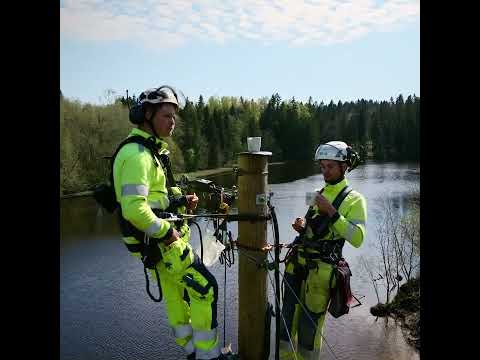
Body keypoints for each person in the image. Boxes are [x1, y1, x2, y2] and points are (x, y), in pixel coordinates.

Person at [112, 85, 225, 360]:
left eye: (174, 116)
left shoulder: (148, 151)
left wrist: (179, 201)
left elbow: (153, 199)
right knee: (206, 289)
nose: (172, 121)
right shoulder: (137, 155)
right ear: (147, 114)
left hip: (154, 247)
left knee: (177, 298)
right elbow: (134, 209)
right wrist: (167, 233)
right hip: (163, 243)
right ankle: (209, 357)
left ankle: (191, 352)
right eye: (166, 115)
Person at [278, 141, 367, 360]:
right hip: (297, 264)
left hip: (321, 273)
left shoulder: (355, 199)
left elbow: (357, 239)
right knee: (286, 321)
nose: (325, 171)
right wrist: (301, 225)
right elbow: (311, 227)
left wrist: (332, 212)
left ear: (344, 167)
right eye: (322, 166)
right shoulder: (316, 192)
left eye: (330, 166)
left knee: (310, 330)